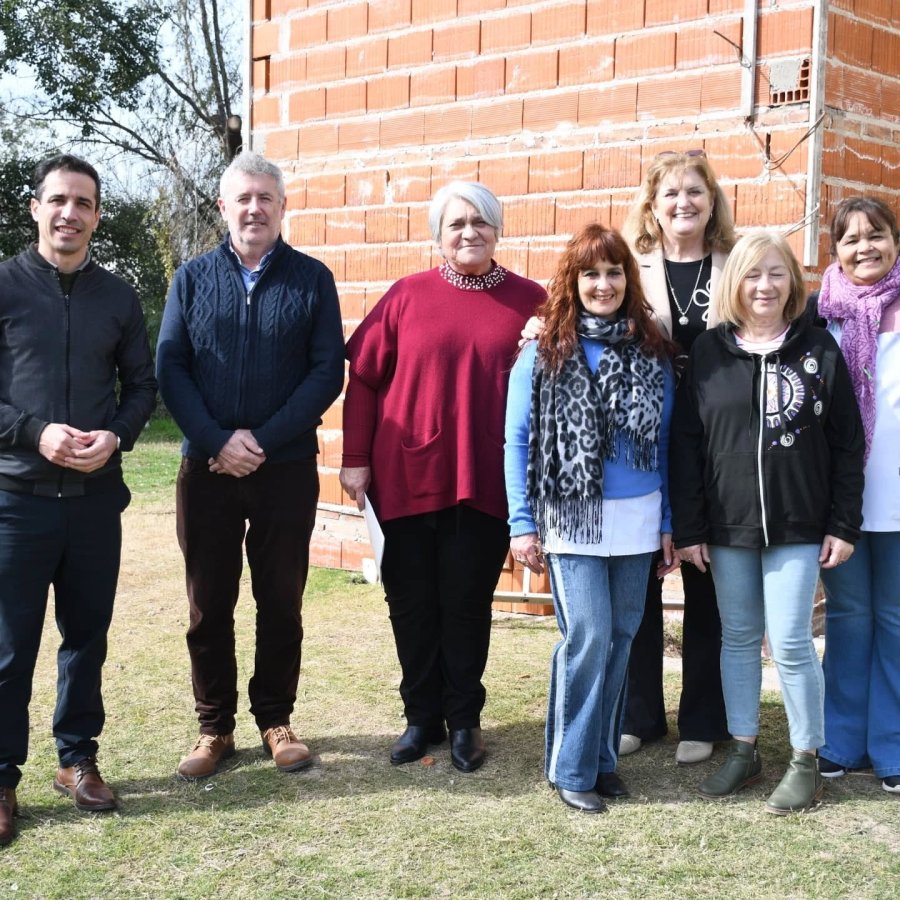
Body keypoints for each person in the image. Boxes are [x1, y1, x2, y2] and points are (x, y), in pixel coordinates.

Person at [339, 181, 546, 773]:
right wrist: (355, 457)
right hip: (405, 475)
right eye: (456, 224)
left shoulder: (531, 302)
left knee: (466, 604)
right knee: (411, 603)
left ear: (498, 230)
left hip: (485, 480)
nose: (469, 233)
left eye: (480, 222)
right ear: (438, 235)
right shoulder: (406, 296)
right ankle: (420, 718)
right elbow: (365, 380)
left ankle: (464, 720)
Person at [156, 151, 344, 780]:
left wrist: (260, 440)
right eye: (243, 198)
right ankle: (214, 727)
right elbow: (171, 368)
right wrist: (217, 441)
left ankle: (276, 719)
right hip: (206, 469)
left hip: (284, 466)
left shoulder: (312, 280)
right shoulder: (191, 279)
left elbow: (327, 372)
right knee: (208, 603)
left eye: (266, 197)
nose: (255, 208)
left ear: (283, 206)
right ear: (224, 207)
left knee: (281, 599)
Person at [671, 230, 864, 815]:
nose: (765, 285)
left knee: (790, 641)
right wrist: (690, 529)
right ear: (736, 281)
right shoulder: (709, 352)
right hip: (726, 525)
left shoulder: (819, 348)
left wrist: (843, 524)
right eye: (753, 274)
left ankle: (806, 759)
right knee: (736, 637)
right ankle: (744, 748)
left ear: (792, 282)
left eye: (777, 273)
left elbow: (848, 445)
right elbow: (686, 445)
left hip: (798, 524)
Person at [0, 155, 157, 845]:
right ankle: (2, 777)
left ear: (96, 216)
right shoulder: (4, 286)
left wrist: (116, 436)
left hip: (94, 501)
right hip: (15, 500)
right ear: (35, 207)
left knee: (86, 637)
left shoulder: (117, 297)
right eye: (59, 200)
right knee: (9, 648)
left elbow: (142, 386)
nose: (70, 213)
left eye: (84, 203)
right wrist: (35, 433)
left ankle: (77, 760)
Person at [505, 223, 677, 813]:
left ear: (628, 280)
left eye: (613, 272)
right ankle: (570, 765)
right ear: (571, 282)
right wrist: (521, 523)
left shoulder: (653, 352)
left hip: (638, 519)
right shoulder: (542, 351)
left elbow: (666, 445)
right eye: (590, 274)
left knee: (622, 639)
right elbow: (517, 441)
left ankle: (602, 760)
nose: (603, 284)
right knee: (589, 636)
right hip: (570, 517)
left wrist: (669, 522)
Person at [619, 150, 734, 765]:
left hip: (717, 445)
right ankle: (640, 715)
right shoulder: (630, 268)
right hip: (644, 442)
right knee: (637, 579)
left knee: (706, 579)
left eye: (695, 191)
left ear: (712, 203)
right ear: (653, 207)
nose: (683, 202)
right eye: (671, 193)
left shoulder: (736, 264)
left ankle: (703, 719)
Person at [811, 197, 900, 795]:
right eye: (851, 239)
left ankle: (891, 744)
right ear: (835, 251)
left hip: (897, 495)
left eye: (877, 235)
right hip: (840, 500)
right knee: (848, 616)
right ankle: (839, 740)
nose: (865, 247)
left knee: (894, 619)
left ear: (895, 241)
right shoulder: (820, 319)